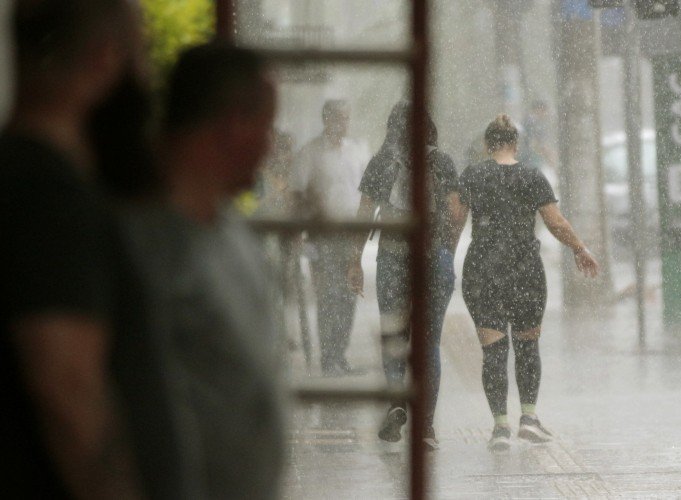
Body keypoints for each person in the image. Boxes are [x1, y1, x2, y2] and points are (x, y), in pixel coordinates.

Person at [0, 0, 185, 497]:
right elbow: (68, 390)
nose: (147, 80)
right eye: (141, 57)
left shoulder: (36, 182)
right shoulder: (49, 197)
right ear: (106, 59)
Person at [119, 43, 285, 499]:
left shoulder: (231, 230)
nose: (270, 146)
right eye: (266, 127)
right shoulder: (137, 245)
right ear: (234, 124)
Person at [459, 114, 599, 451]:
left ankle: (499, 427)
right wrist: (580, 249)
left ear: (486, 145)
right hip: (524, 270)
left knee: (493, 349)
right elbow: (556, 223)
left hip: (483, 270)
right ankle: (529, 417)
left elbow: (453, 222)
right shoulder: (532, 176)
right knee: (527, 344)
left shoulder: (473, 176)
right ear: (515, 145)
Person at [347, 101, 466, 450]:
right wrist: (447, 250)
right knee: (428, 342)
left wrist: (354, 260)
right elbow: (457, 212)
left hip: (393, 256)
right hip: (434, 257)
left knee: (395, 335)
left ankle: (398, 402)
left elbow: (365, 213)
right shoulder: (441, 161)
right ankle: (426, 428)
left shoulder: (383, 162)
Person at [290, 100, 369, 375]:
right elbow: (297, 193)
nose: (343, 124)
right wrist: (299, 232)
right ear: (326, 119)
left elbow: (366, 196)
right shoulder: (310, 153)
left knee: (348, 294)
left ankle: (340, 353)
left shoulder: (357, 152)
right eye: (337, 118)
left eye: (346, 118)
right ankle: (328, 356)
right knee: (327, 296)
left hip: (350, 236)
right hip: (321, 236)